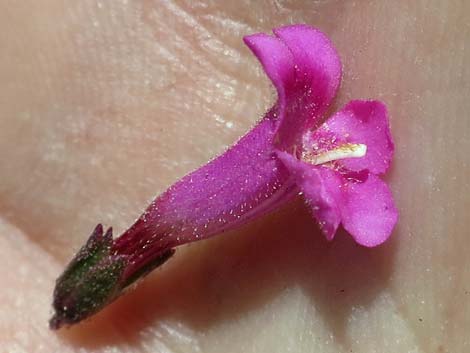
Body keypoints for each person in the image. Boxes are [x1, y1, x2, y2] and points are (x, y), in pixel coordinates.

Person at [0, 1, 468, 352]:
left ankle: (113, 268)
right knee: (156, 229)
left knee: (158, 227)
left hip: (169, 226)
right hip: (167, 228)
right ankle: (103, 276)